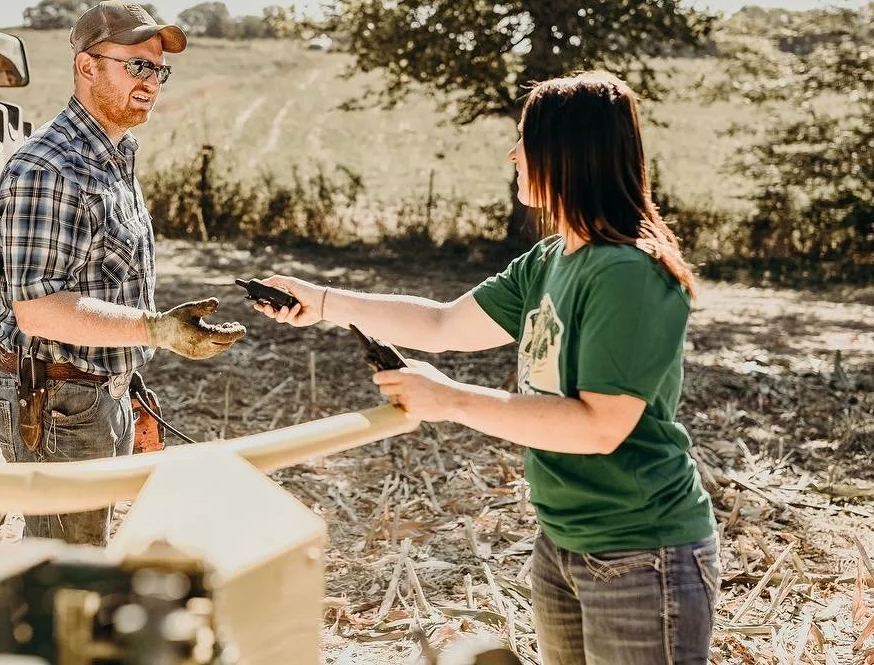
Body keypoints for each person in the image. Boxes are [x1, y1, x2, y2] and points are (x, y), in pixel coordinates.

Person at [254, 71, 719, 665]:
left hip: (641, 551)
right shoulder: (550, 261)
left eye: (524, 137)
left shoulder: (630, 274)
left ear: (566, 151)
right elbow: (443, 325)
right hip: (562, 542)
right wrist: (319, 303)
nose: (512, 153)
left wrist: (450, 400)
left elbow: (600, 426)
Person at [0, 0, 244, 545]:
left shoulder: (111, 155)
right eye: (138, 66)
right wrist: (156, 331)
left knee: (85, 561)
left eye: (159, 70)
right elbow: (37, 312)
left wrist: (127, 383)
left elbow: (102, 283)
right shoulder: (49, 168)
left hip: (94, 390)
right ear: (87, 67)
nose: (152, 81)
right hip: (56, 403)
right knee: (66, 574)